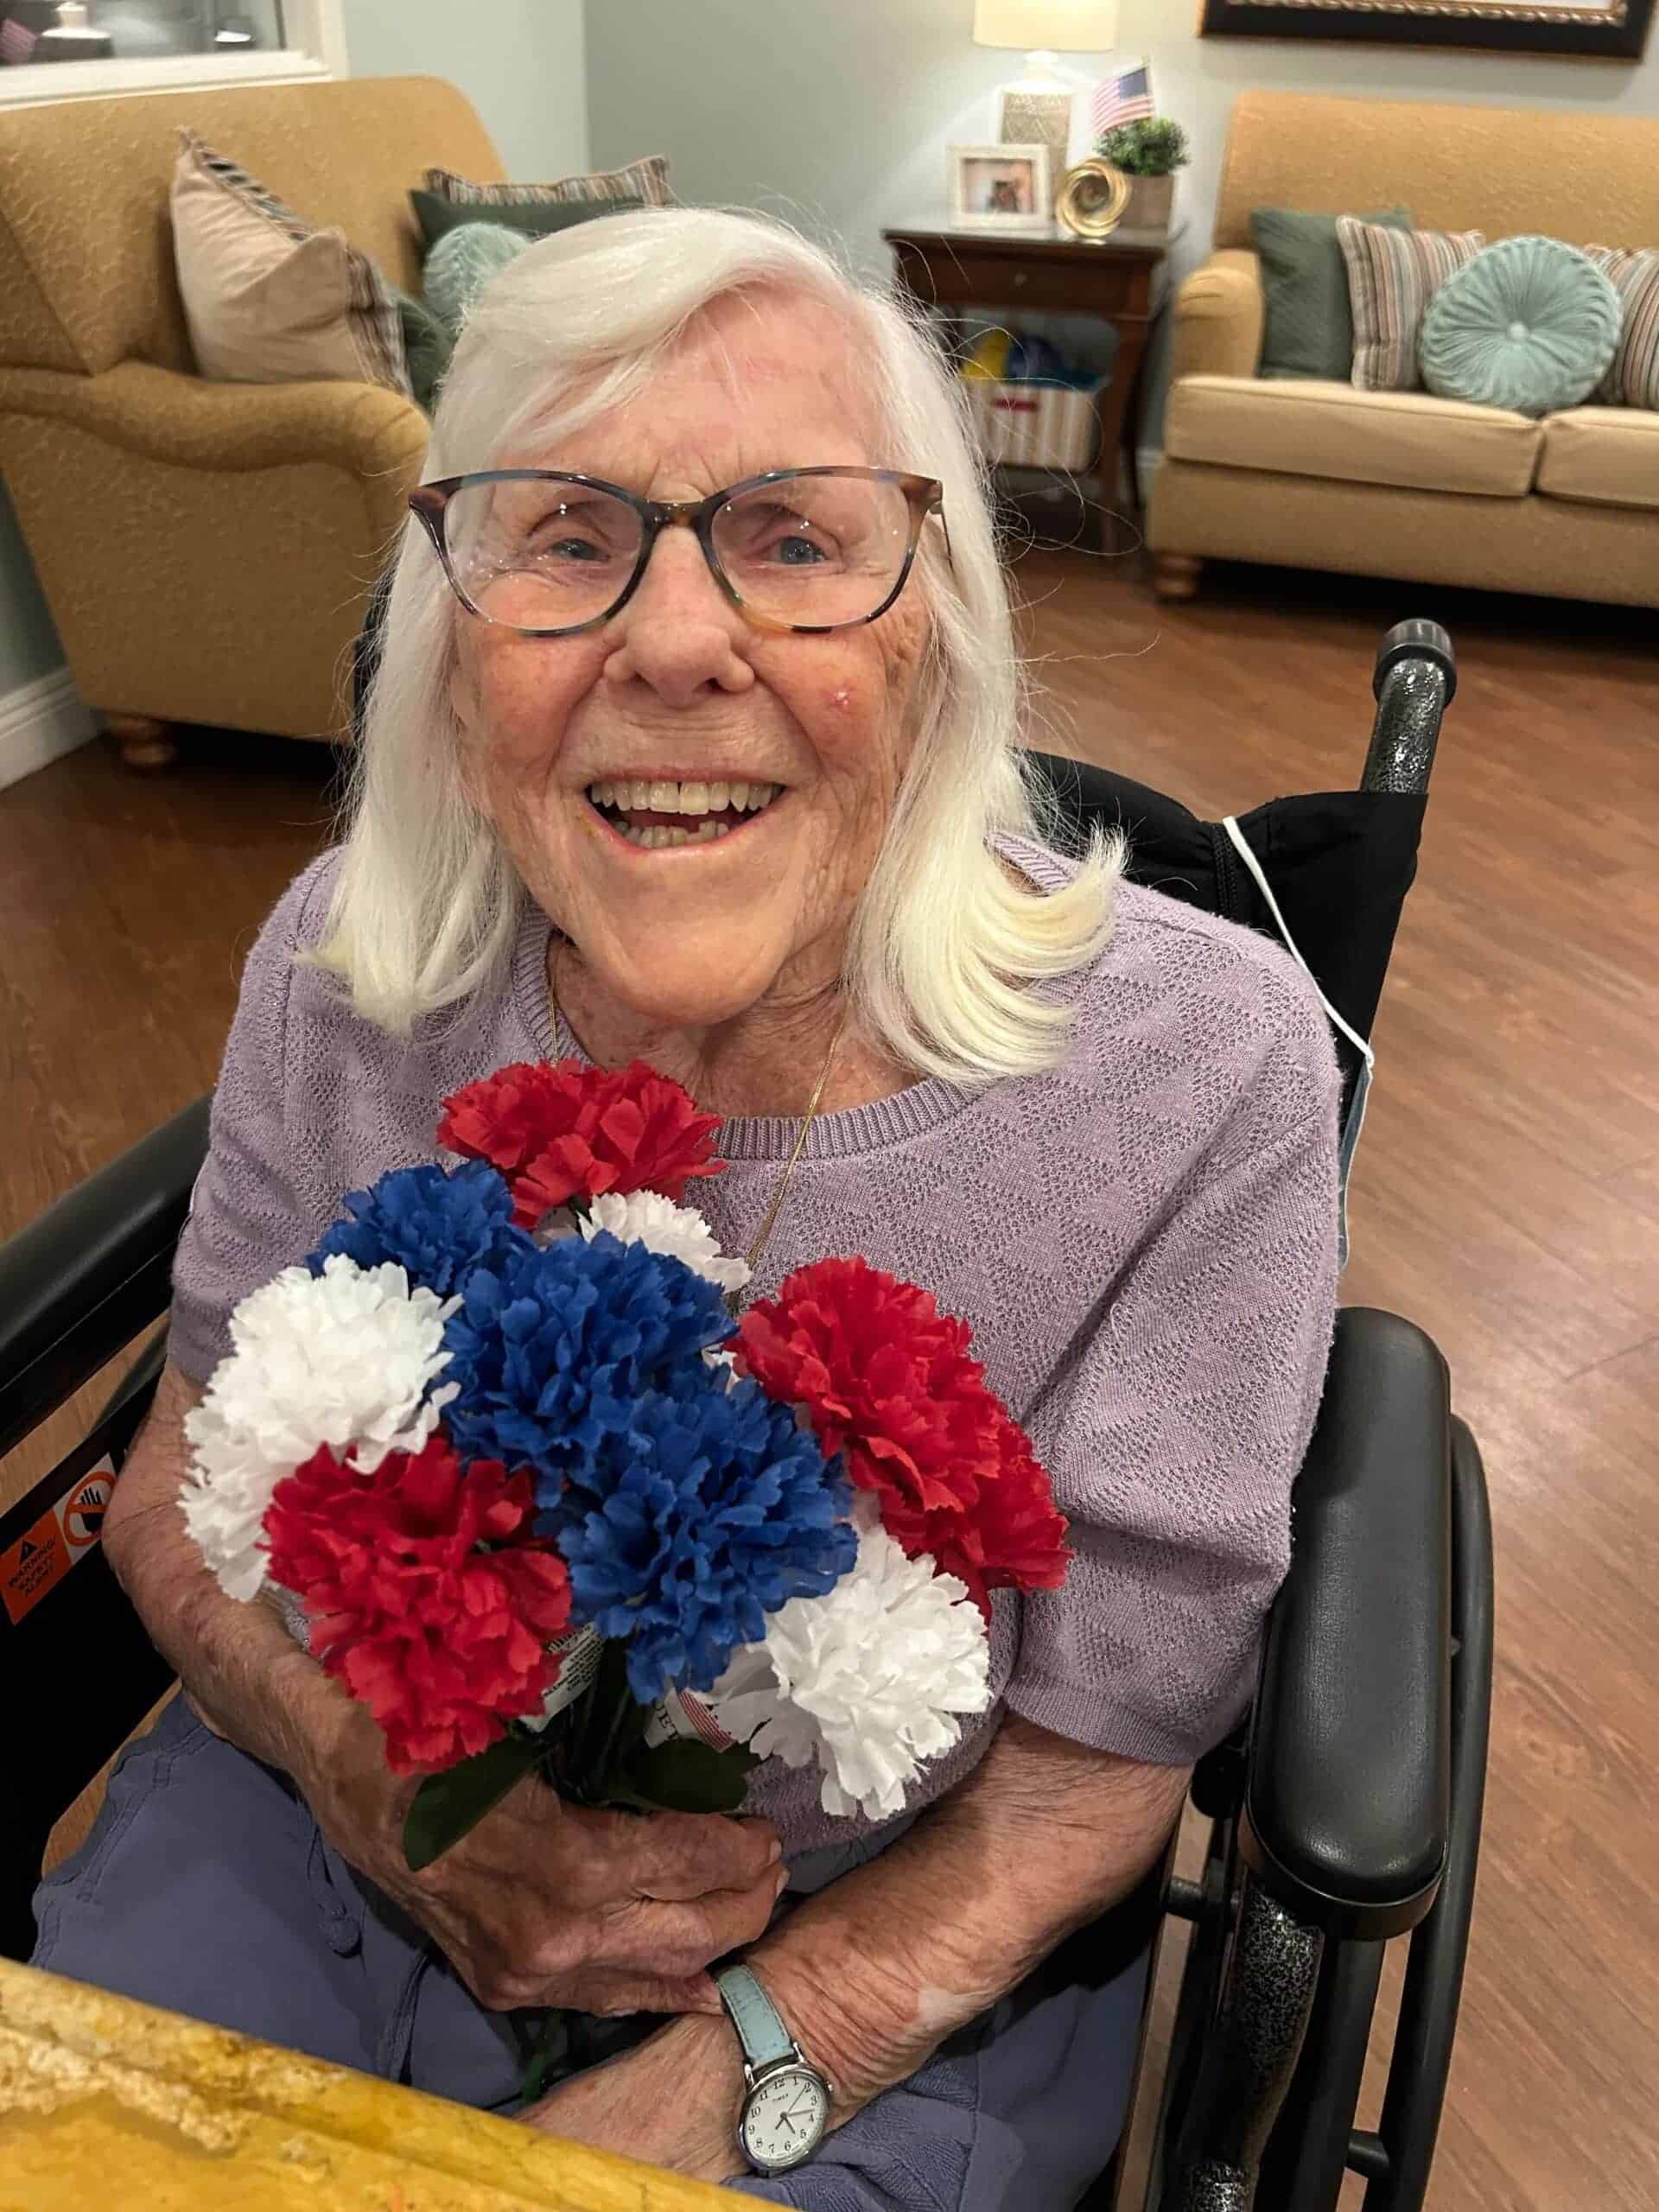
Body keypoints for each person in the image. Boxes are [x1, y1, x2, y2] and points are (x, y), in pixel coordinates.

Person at [35, 207, 1341, 2206]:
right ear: (454, 641)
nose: (670, 639)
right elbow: (164, 1476)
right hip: (321, 1799)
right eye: (566, 536)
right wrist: (374, 1788)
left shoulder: (1199, 1072)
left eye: (795, 537)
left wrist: (729, 2074)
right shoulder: (343, 967)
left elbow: (1105, 1755)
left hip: (878, 1952)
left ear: (941, 627)